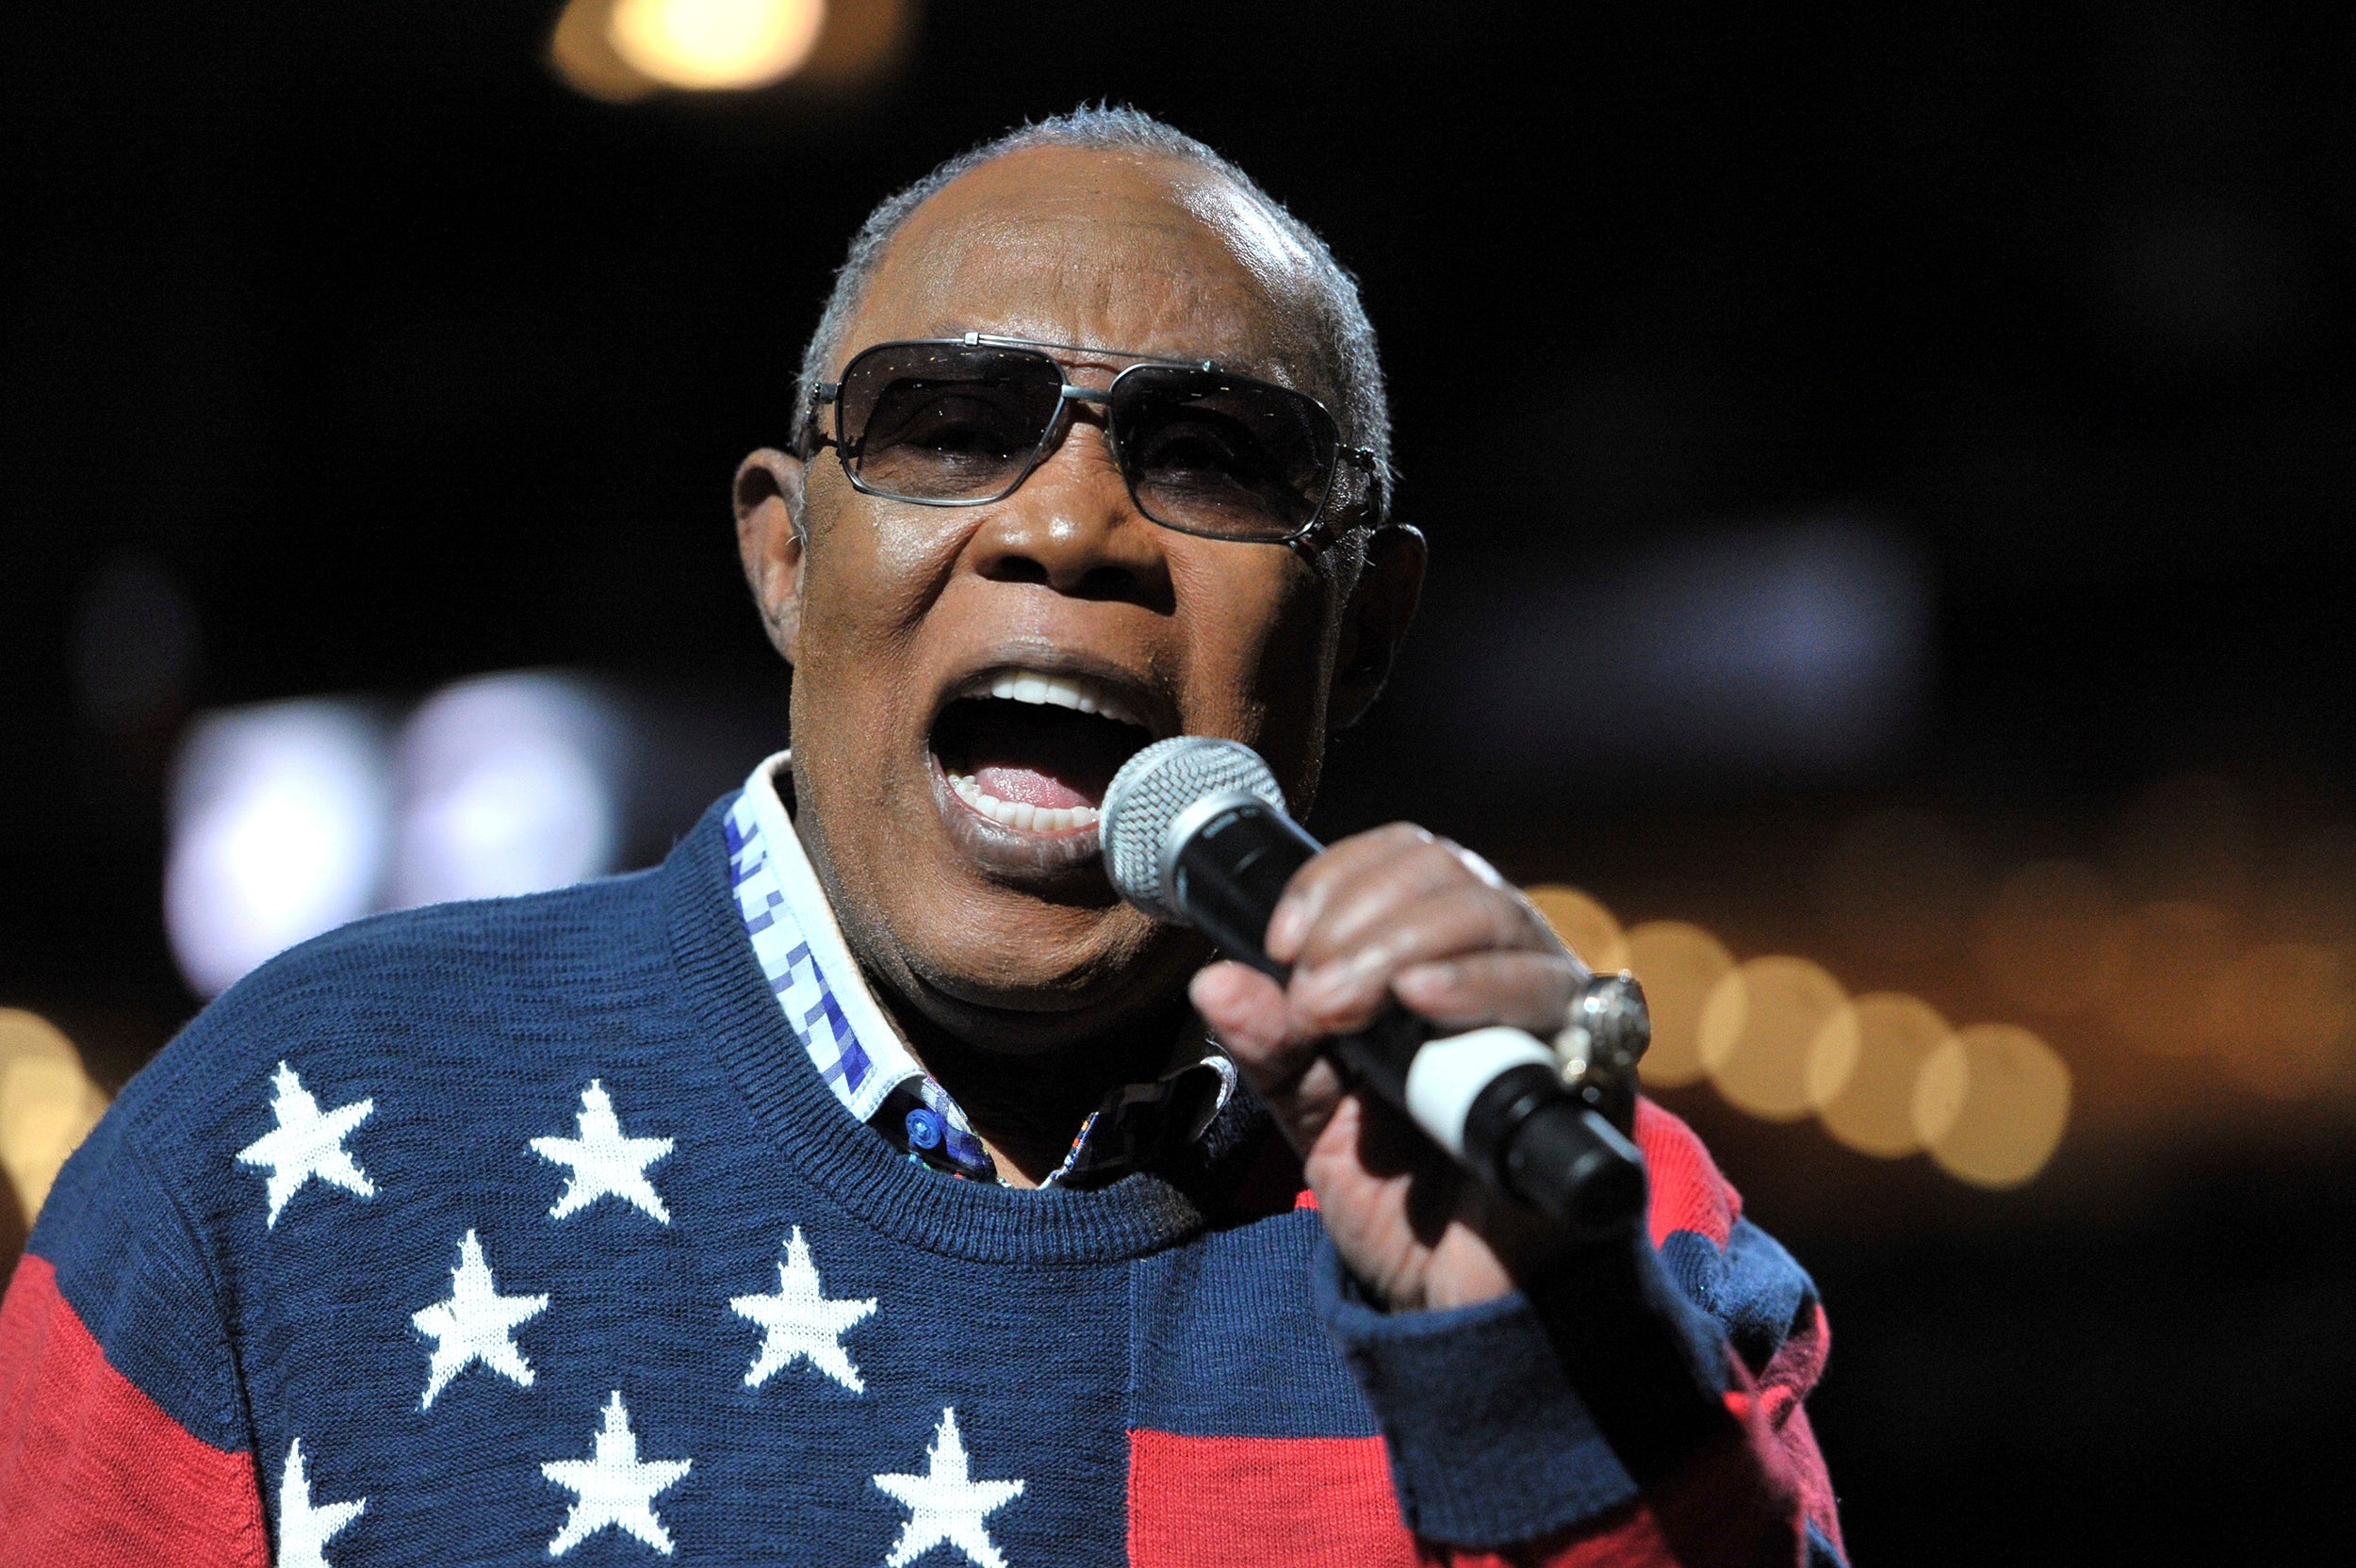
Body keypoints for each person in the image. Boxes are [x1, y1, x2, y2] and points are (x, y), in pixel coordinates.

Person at [0, 107, 1845, 1566]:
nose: (1072, 527)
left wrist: (1535, 1385)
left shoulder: (1598, 1223)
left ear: (1362, 624)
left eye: (1211, 455)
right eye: (950, 423)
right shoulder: (297, 1134)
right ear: (783, 556)